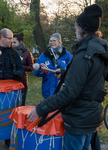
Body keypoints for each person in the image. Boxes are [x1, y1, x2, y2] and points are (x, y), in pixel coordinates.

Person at [27, 4, 107, 150]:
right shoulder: (99, 50)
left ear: (82, 28)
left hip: (79, 119)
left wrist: (40, 108)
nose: (75, 28)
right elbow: (90, 77)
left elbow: (69, 93)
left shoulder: (84, 54)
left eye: (76, 25)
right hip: (93, 115)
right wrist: (66, 73)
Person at [34, 33, 72, 99]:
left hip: (61, 89)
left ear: (60, 42)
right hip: (47, 90)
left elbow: (72, 69)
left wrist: (60, 63)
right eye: (50, 41)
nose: (52, 42)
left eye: (54, 40)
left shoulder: (67, 55)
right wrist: (40, 70)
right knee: (47, 108)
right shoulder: (44, 55)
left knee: (60, 108)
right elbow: (36, 72)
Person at [12, 32, 33, 106]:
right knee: (11, 104)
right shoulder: (10, 51)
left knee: (21, 104)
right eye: (12, 42)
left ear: (20, 42)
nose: (12, 44)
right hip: (11, 80)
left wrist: (20, 65)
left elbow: (31, 67)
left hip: (22, 81)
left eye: (15, 42)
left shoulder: (27, 52)